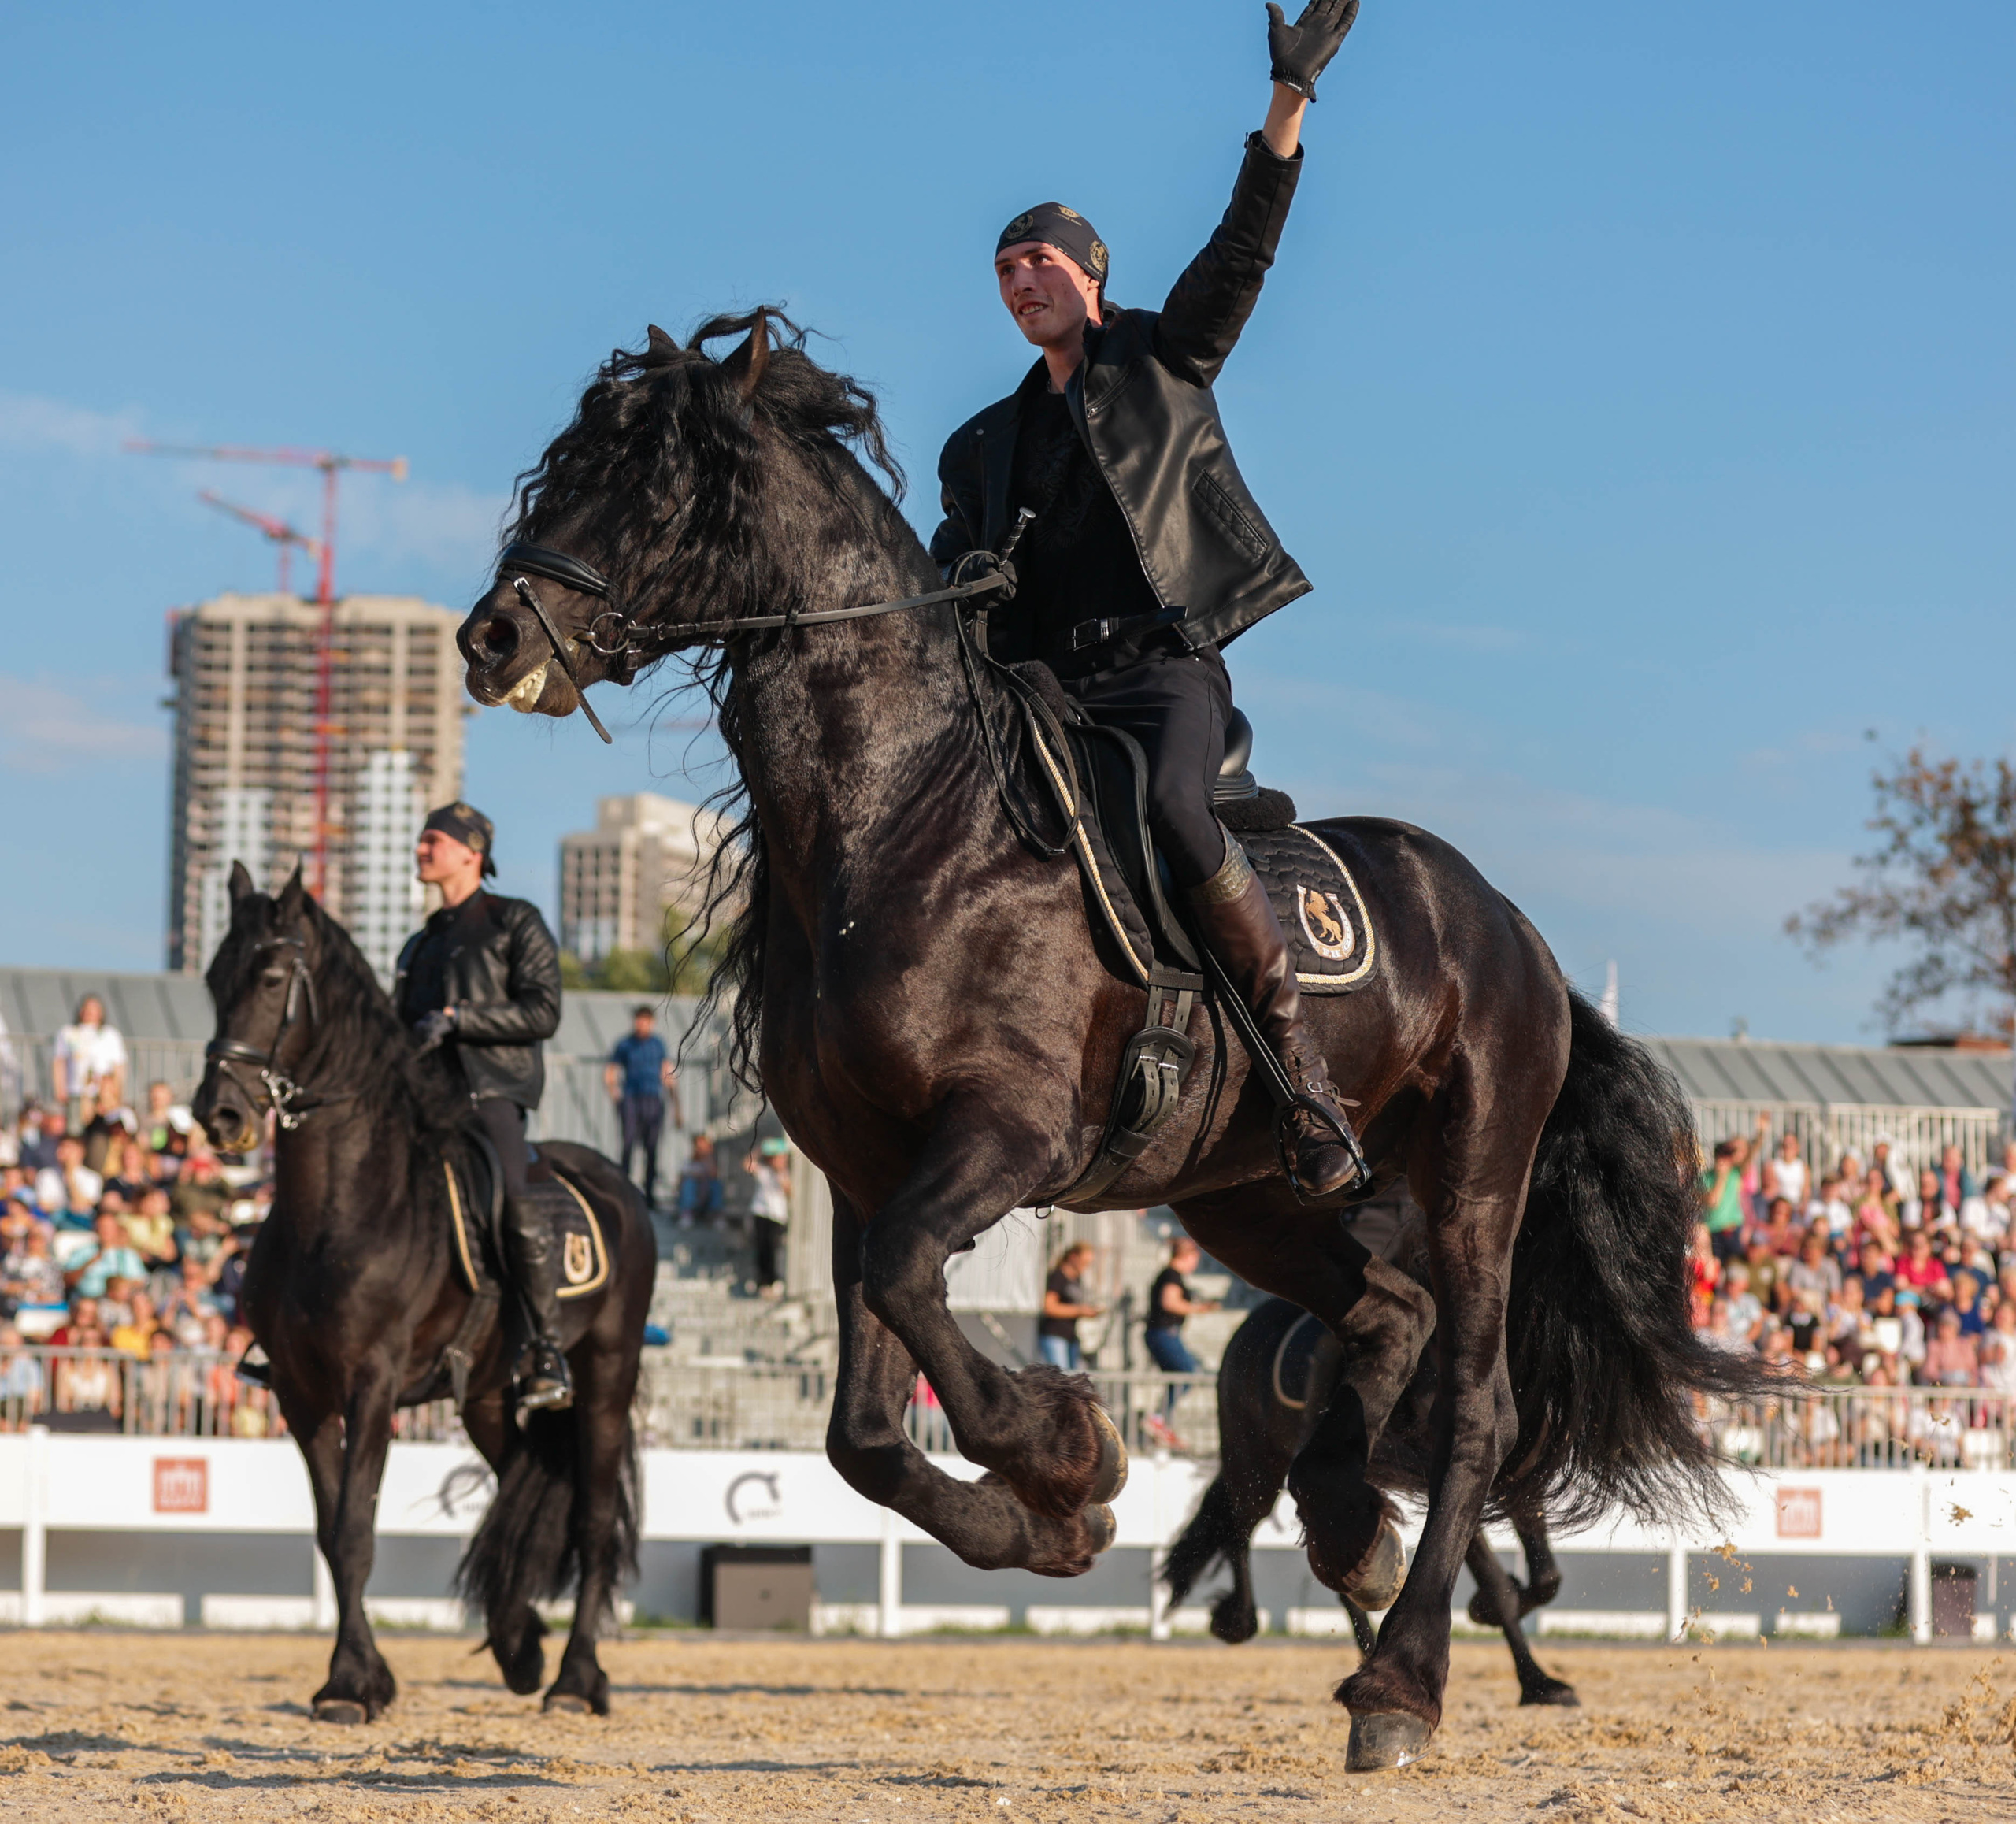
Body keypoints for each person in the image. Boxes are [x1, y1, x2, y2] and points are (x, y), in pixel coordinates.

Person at [928, 1, 1367, 1198]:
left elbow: (1241, 251)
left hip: (1162, 671)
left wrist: (1286, 108)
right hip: (1046, 692)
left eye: (1044, 262)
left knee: (1178, 814)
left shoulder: (1161, 358)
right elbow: (940, 582)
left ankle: (1299, 1073)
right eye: (1007, 268)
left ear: (1094, 279)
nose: (1024, 279)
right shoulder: (979, 445)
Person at [394, 802, 567, 1417]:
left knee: (513, 1200)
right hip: (423, 1104)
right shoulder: (419, 944)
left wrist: (461, 1019)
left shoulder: (514, 920)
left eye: (431, 840)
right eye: (421, 840)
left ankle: (547, 1346)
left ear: (471, 852)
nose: (421, 848)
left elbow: (544, 1011)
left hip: (490, 1093)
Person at [1143, 1236, 1220, 1436]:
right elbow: (1169, 1302)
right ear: (1187, 1256)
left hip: (1164, 1334)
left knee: (1178, 1377)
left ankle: (1160, 1419)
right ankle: (1158, 1418)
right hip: (1164, 1334)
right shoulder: (1172, 1276)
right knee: (1186, 1373)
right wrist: (1199, 1308)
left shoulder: (1170, 1275)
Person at [606, 1005, 677, 1207]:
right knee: (628, 1145)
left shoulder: (658, 1044)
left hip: (653, 1100)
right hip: (631, 1099)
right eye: (639, 1020)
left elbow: (668, 1074)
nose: (642, 1024)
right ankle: (624, 1192)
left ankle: (650, 1194)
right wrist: (616, 1098)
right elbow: (611, 1072)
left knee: (652, 1148)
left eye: (646, 1020)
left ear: (652, 1022)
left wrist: (677, 1106)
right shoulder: (625, 1044)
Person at [50, 995, 127, 1138]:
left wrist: (117, 1094)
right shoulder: (68, 1033)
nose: (89, 1013)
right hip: (76, 1092)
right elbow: (59, 1062)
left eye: (94, 1009)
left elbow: (119, 1067)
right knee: (75, 1134)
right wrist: (59, 1089)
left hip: (102, 1096)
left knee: (100, 1135)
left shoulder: (111, 1035)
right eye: (87, 1009)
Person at [1040, 1241, 1102, 1371]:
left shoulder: (1077, 1279)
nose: (1086, 1267)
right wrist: (1079, 1310)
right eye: (1084, 1263)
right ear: (1073, 1257)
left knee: (1072, 1379)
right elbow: (1049, 1307)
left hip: (1071, 1337)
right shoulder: (1058, 1276)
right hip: (1055, 1335)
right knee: (1063, 1380)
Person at [745, 1137, 791, 1296]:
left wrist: (781, 1168)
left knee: (774, 1249)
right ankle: (762, 1281)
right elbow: (748, 1165)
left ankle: (774, 1281)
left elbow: (788, 1190)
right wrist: (759, 1150)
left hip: (777, 1216)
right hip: (760, 1213)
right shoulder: (764, 1171)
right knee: (761, 1247)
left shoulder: (784, 1173)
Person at [1699, 1139, 1748, 1262]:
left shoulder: (1735, 1173)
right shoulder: (1704, 1178)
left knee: (1735, 1266)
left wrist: (1761, 1134)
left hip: (1732, 1230)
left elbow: (1749, 1157)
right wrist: (1721, 1177)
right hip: (1713, 1232)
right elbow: (1713, 1201)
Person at [675, 1133, 725, 1226]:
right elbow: (681, 1179)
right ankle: (687, 1214)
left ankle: (716, 1215)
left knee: (716, 1184)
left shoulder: (710, 1161)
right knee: (689, 1183)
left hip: (706, 1200)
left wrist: (707, 1157)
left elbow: (714, 1174)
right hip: (692, 1199)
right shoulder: (689, 1161)